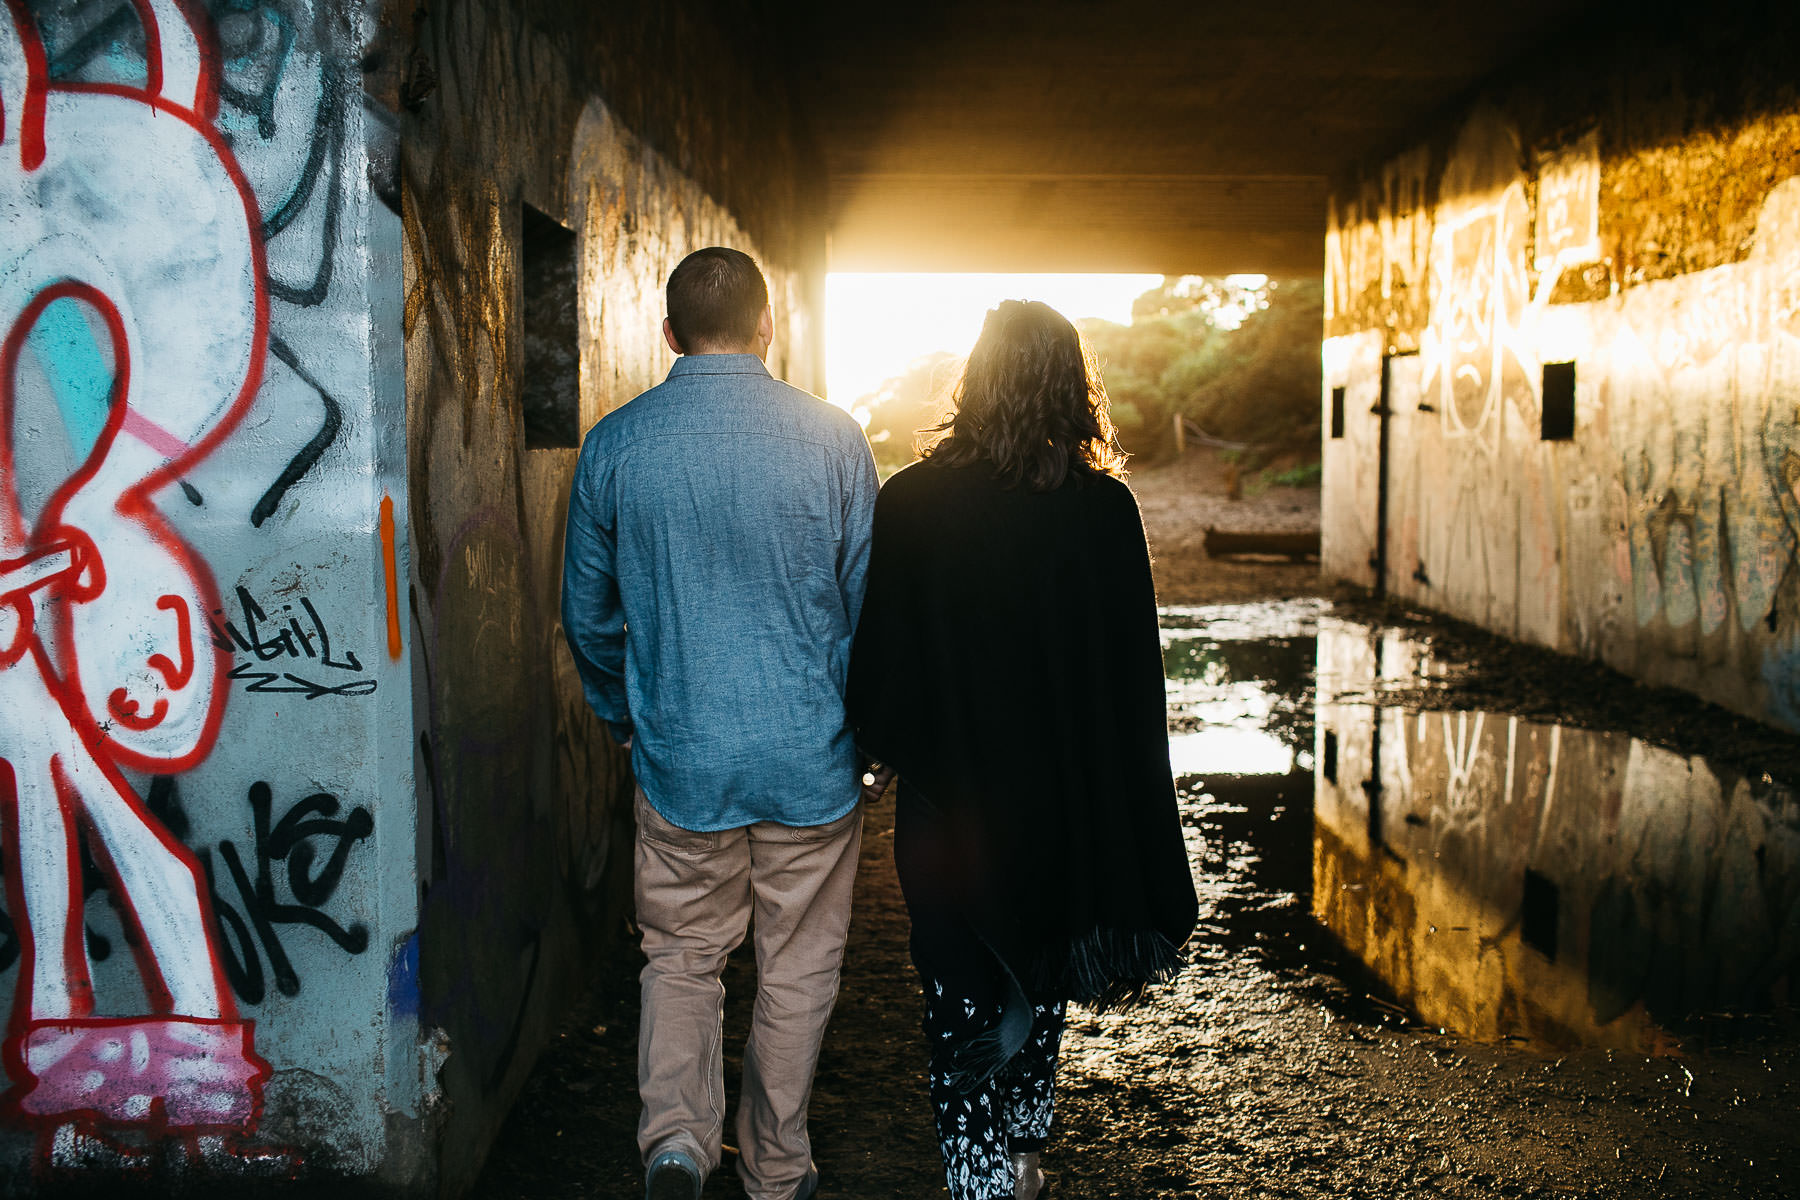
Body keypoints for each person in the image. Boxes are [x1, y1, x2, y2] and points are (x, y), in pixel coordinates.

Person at [847, 300, 1198, 1200]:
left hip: (950, 803)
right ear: (1073, 385)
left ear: (977, 379)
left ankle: (976, 1178)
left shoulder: (914, 501)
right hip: (1061, 799)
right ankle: (1027, 1150)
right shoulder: (1105, 511)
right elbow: (1133, 673)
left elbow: (882, 648)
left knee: (957, 978)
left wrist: (880, 751)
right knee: (1040, 960)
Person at [561, 247, 877, 1200]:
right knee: (798, 969)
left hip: (683, 759)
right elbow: (866, 609)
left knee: (683, 959)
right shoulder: (834, 441)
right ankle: (777, 1168)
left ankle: (677, 1146)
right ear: (768, 325)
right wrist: (864, 734)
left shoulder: (616, 445)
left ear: (667, 335)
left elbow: (589, 614)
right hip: (810, 764)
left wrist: (627, 719)